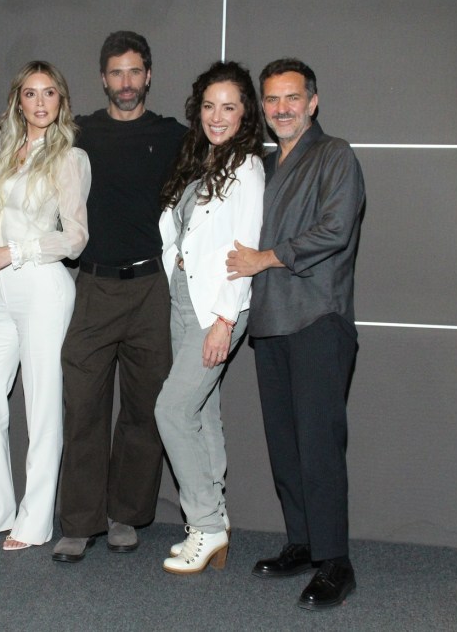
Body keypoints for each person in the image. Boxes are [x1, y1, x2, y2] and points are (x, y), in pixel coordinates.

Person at [226, 58, 365, 609]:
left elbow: (335, 229)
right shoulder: (261, 165)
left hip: (318, 320)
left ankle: (335, 562)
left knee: (319, 445)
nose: (281, 108)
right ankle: (303, 544)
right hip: (270, 322)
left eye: (292, 98)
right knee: (285, 444)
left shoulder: (335, 155)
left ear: (312, 102)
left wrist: (266, 258)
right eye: (272, 100)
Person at [52, 31, 186, 562]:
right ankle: (79, 522)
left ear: (148, 76)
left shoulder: (173, 136)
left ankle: (125, 515)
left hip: (152, 287)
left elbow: (224, 168)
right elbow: (25, 167)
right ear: (103, 78)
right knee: (83, 406)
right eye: (116, 72)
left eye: (134, 72)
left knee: (144, 409)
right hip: (93, 284)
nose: (125, 82)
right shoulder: (77, 132)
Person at [0, 61, 91, 551]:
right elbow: (0, 206)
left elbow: (75, 238)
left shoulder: (70, 158)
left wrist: (14, 251)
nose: (40, 102)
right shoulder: (2, 147)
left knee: (41, 407)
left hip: (41, 286)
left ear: (61, 101)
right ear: (18, 100)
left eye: (49, 93)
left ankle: (35, 522)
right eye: (31, 93)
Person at [154, 61, 264, 574]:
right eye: (208, 106)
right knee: (202, 412)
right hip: (184, 297)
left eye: (229, 107)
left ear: (245, 114)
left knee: (171, 411)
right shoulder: (200, 161)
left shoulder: (247, 168)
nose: (217, 117)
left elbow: (245, 251)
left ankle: (204, 523)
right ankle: (213, 519)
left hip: (216, 305)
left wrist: (224, 320)